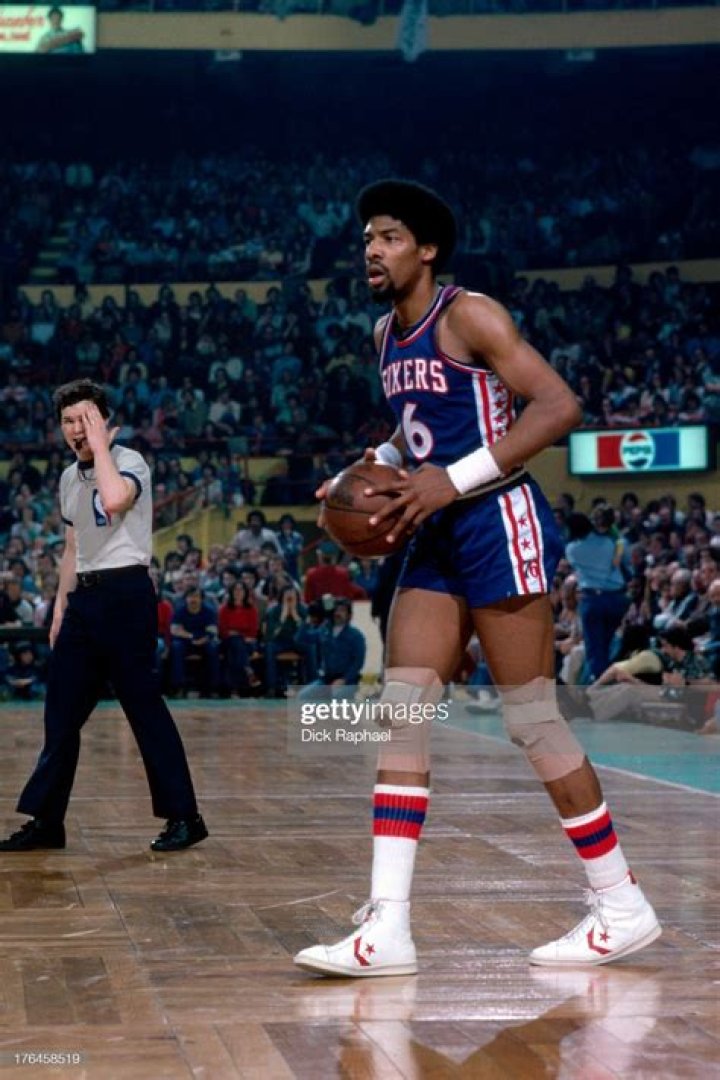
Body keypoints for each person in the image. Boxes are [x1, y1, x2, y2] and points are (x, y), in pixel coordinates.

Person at [294, 179, 660, 977]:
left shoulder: (471, 313)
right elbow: (414, 429)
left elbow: (558, 406)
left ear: (425, 248)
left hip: (496, 517)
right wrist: (371, 466)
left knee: (531, 720)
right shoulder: (387, 334)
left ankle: (622, 902)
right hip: (434, 529)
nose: (371, 251)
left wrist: (447, 482)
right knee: (402, 713)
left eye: (387, 237)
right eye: (365, 239)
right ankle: (387, 925)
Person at [0, 380, 207, 853]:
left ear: (106, 422)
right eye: (69, 421)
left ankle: (185, 816)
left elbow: (114, 500)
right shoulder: (68, 479)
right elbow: (73, 548)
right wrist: (59, 609)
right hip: (85, 601)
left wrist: (101, 446)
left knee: (143, 707)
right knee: (61, 714)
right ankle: (47, 822)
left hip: (127, 593)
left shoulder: (129, 461)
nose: (76, 428)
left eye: (86, 419)